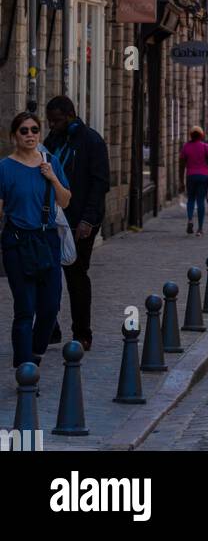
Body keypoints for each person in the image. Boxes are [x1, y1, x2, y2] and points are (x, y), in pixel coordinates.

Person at [0, 112, 71, 367]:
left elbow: (64, 200)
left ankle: (36, 353)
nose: (30, 135)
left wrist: (51, 177)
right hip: (17, 242)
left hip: (46, 239)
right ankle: (24, 366)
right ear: (14, 136)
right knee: (25, 309)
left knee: (50, 307)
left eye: (34, 130)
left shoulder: (49, 162)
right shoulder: (4, 168)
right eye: (24, 131)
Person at [43, 95, 110, 352]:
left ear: (70, 116)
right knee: (49, 274)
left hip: (82, 219)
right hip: (55, 218)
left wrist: (87, 220)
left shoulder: (91, 141)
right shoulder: (53, 140)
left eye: (57, 120)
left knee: (76, 275)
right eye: (50, 121)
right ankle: (51, 327)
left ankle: (83, 333)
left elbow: (99, 183)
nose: (53, 125)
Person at [179, 127, 208, 236]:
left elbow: (181, 165)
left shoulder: (186, 147)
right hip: (203, 176)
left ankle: (190, 220)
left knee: (190, 199)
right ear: (201, 135)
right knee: (200, 201)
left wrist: (181, 180)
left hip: (191, 176)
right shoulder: (206, 147)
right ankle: (200, 228)